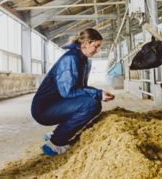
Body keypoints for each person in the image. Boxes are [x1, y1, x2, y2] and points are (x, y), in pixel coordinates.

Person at [31, 28, 115, 156]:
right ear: (86, 43)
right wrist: (97, 94)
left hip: (57, 103)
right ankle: (55, 143)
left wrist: (99, 92)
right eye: (96, 46)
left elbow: (80, 88)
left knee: (92, 101)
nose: (97, 50)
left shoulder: (82, 59)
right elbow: (69, 92)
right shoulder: (71, 58)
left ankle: (56, 133)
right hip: (44, 109)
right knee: (91, 104)